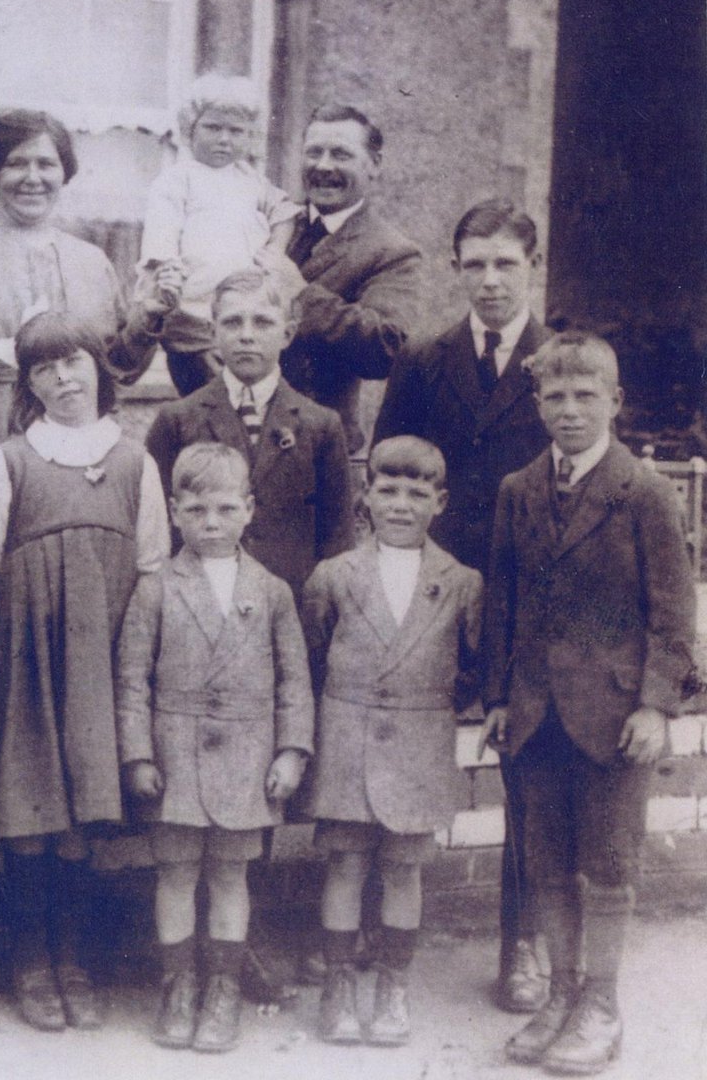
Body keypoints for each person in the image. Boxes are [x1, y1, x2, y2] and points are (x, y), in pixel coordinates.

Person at [480, 331, 696, 1075]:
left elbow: (673, 615)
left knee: (606, 865)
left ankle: (601, 1003)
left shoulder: (645, 493)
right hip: (537, 714)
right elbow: (501, 602)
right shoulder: (518, 490)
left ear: (615, 401)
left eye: (585, 396)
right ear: (537, 402)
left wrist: (656, 707)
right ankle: (561, 994)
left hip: (612, 719)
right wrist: (499, 698)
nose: (569, 411)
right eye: (555, 397)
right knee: (545, 861)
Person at [0, 312, 169, 1033]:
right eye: (43, 369)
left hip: (104, 656)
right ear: (30, 384)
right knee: (29, 798)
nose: (62, 378)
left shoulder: (137, 461)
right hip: (26, 652)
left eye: (74, 361)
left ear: (101, 369)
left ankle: (73, 956)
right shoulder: (10, 461)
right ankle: (29, 958)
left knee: (84, 806)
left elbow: (153, 568)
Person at [374, 198, 552, 1012]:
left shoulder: (561, 363)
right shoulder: (423, 359)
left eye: (504, 264)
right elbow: (390, 472)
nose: (488, 281)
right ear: (455, 268)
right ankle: (373, 943)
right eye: (474, 264)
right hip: (437, 598)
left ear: (531, 267)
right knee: (400, 753)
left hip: (525, 603)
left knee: (529, 776)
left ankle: (525, 946)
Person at [116, 442, 314, 1053]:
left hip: (247, 761)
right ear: (174, 512)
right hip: (174, 759)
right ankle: (179, 985)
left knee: (230, 875)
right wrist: (138, 754)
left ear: (250, 510)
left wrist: (291, 752)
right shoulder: (155, 588)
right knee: (174, 874)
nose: (211, 522)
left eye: (226, 509)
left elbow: (294, 680)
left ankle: (223, 988)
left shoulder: (273, 590)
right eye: (197, 509)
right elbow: (131, 679)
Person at [303, 436, 482, 1047]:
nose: (401, 505)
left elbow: (471, 673)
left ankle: (392, 987)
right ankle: (339, 984)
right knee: (346, 864)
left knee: (404, 869)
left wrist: (425, 711)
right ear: (366, 498)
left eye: (416, 493)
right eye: (388, 490)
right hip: (347, 740)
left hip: (418, 743)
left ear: (440, 502)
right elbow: (314, 655)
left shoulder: (461, 583)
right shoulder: (333, 576)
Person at [145, 269, 354, 602]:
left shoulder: (320, 425)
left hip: (292, 604)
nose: (246, 335)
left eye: (262, 323)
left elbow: (338, 538)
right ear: (212, 332)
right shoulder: (177, 421)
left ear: (288, 334)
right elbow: (157, 528)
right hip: (202, 601)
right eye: (232, 323)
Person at [0, 107, 170, 376]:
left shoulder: (92, 262)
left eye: (46, 164)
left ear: (64, 173)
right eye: (16, 164)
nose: (33, 178)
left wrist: (147, 320)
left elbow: (119, 368)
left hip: (74, 416)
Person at [137, 73, 303, 395]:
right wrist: (167, 274)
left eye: (236, 131)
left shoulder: (250, 180)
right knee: (209, 396)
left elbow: (284, 212)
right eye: (213, 128)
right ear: (190, 130)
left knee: (249, 390)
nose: (224, 139)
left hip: (243, 308)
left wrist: (275, 254)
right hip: (192, 314)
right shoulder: (177, 181)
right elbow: (162, 233)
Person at [280, 103, 424, 453]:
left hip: (317, 448)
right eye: (314, 152)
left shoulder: (391, 252)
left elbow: (386, 349)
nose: (323, 165)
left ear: (373, 164)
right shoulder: (271, 224)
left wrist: (301, 296)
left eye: (341, 154)